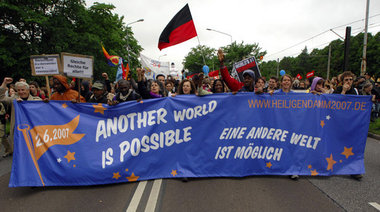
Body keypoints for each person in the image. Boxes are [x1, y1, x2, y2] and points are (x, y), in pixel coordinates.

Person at [0, 78, 42, 157]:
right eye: (18, 90)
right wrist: (4, 83)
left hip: (32, 132)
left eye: (23, 90)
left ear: (28, 90)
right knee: (21, 155)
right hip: (18, 131)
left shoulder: (36, 100)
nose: (21, 92)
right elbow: (1, 97)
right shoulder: (13, 100)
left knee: (33, 154)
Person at [333, 71, 362, 180]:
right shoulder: (338, 90)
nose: (349, 82)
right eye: (346, 80)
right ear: (342, 81)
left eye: (350, 79)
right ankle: (334, 164)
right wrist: (344, 91)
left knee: (353, 147)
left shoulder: (356, 91)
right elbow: (334, 103)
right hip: (339, 122)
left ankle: (354, 170)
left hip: (352, 122)